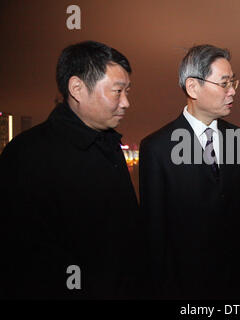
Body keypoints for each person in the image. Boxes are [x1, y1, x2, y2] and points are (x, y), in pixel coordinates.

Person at [0, 41, 144, 299]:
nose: (126, 103)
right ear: (77, 88)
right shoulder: (26, 156)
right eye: (117, 91)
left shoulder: (110, 144)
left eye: (127, 91)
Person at [139, 44, 240, 299]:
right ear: (193, 87)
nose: (232, 92)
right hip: (185, 285)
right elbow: (155, 229)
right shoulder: (157, 147)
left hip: (238, 281)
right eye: (224, 83)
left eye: (234, 83)